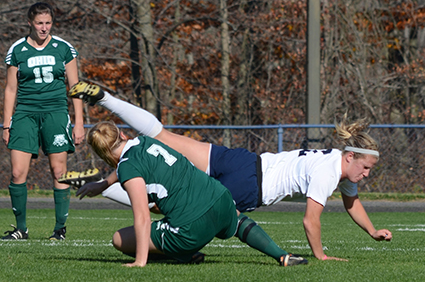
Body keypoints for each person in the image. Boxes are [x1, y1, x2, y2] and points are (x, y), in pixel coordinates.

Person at [68, 81, 393, 261]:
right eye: (365, 168)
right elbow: (311, 220)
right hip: (253, 186)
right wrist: (321, 256)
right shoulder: (327, 172)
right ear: (350, 156)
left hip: (244, 161)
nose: (365, 175)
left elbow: (352, 201)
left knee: (164, 138)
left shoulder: (335, 160)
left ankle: (106, 98)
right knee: (166, 205)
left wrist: (372, 230)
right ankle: (109, 190)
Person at [86, 121, 307, 267]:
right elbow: (129, 163)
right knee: (236, 221)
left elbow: (142, 216)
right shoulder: (145, 141)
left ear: (103, 154)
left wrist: (139, 261)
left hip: (190, 228)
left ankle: (184, 253)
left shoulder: (127, 168)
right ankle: (282, 255)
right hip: (220, 197)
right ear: (123, 134)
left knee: (119, 239)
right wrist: (104, 183)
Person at [2, 2, 85, 240]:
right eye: (39, 23)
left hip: (56, 114)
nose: (44, 28)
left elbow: (76, 87)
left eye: (48, 23)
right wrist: (6, 123)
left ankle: (59, 230)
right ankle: (21, 229)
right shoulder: (17, 49)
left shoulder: (64, 49)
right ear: (29, 22)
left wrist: (78, 122)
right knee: (18, 173)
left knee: (59, 170)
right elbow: (10, 89)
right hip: (25, 114)